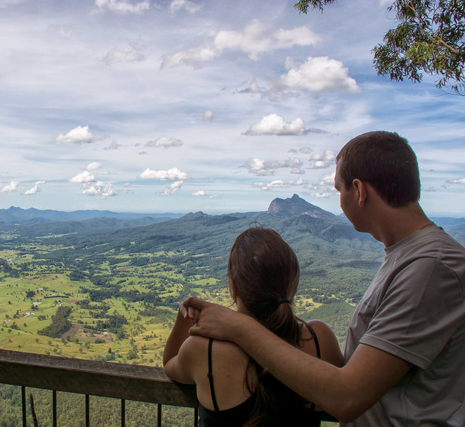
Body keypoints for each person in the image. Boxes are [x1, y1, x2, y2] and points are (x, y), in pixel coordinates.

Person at [182, 131, 465, 426]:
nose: (339, 202)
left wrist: (240, 327)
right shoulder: (410, 258)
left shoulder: (430, 268)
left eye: (338, 190)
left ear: (359, 190)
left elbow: (347, 396)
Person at [163, 227, 343, 426]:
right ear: (292, 284)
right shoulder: (319, 339)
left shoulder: (205, 349)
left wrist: (184, 317)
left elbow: (170, 363)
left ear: (233, 288)